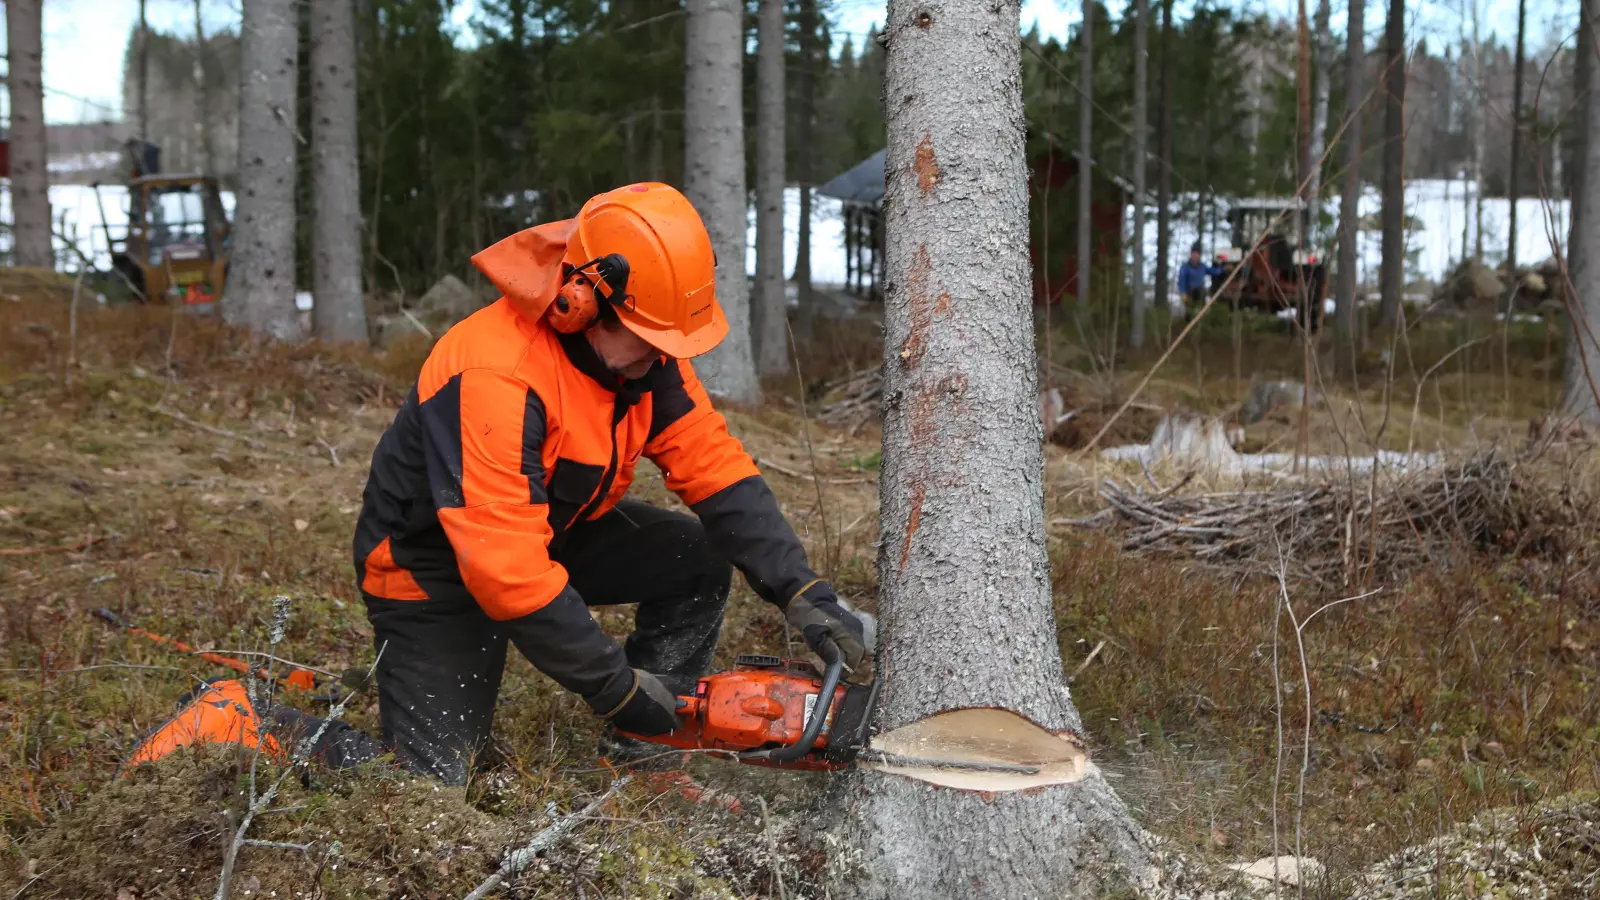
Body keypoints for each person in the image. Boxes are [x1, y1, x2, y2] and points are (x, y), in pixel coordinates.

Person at [135, 183, 868, 784]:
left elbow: (715, 467)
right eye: (649, 340)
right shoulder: (497, 374)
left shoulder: (645, 365)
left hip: (543, 532)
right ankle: (237, 717)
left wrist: (801, 589)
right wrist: (616, 688)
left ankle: (644, 758)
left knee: (696, 554)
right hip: (433, 569)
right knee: (424, 787)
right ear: (584, 302)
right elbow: (506, 574)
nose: (662, 358)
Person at [1176, 243, 1223, 309]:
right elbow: (1181, 281)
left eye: (1197, 254)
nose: (1195, 256)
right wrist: (1183, 293)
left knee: (1201, 307)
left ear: (1199, 256)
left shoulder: (1202, 266)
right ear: (1191, 254)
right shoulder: (1185, 267)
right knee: (1190, 310)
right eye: (1194, 254)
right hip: (1189, 294)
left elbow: (1214, 271)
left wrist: (1221, 268)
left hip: (1200, 294)